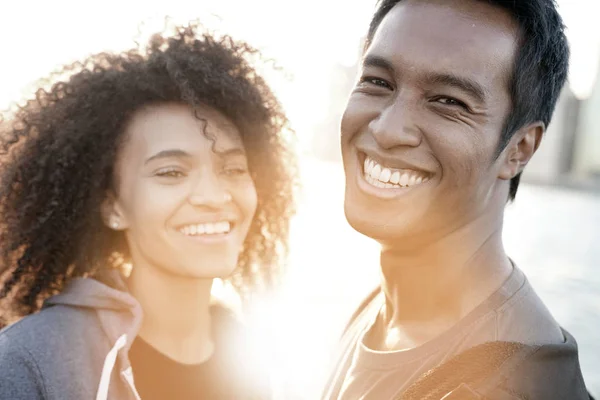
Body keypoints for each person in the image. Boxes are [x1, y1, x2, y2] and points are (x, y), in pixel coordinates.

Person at [0, 23, 296, 400]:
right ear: (113, 206)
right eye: (171, 172)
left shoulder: (258, 360)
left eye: (233, 169)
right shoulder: (32, 361)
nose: (214, 195)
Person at [321, 0, 592, 399]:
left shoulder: (507, 385)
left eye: (448, 101)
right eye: (378, 82)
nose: (387, 128)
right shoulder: (383, 307)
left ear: (519, 148)